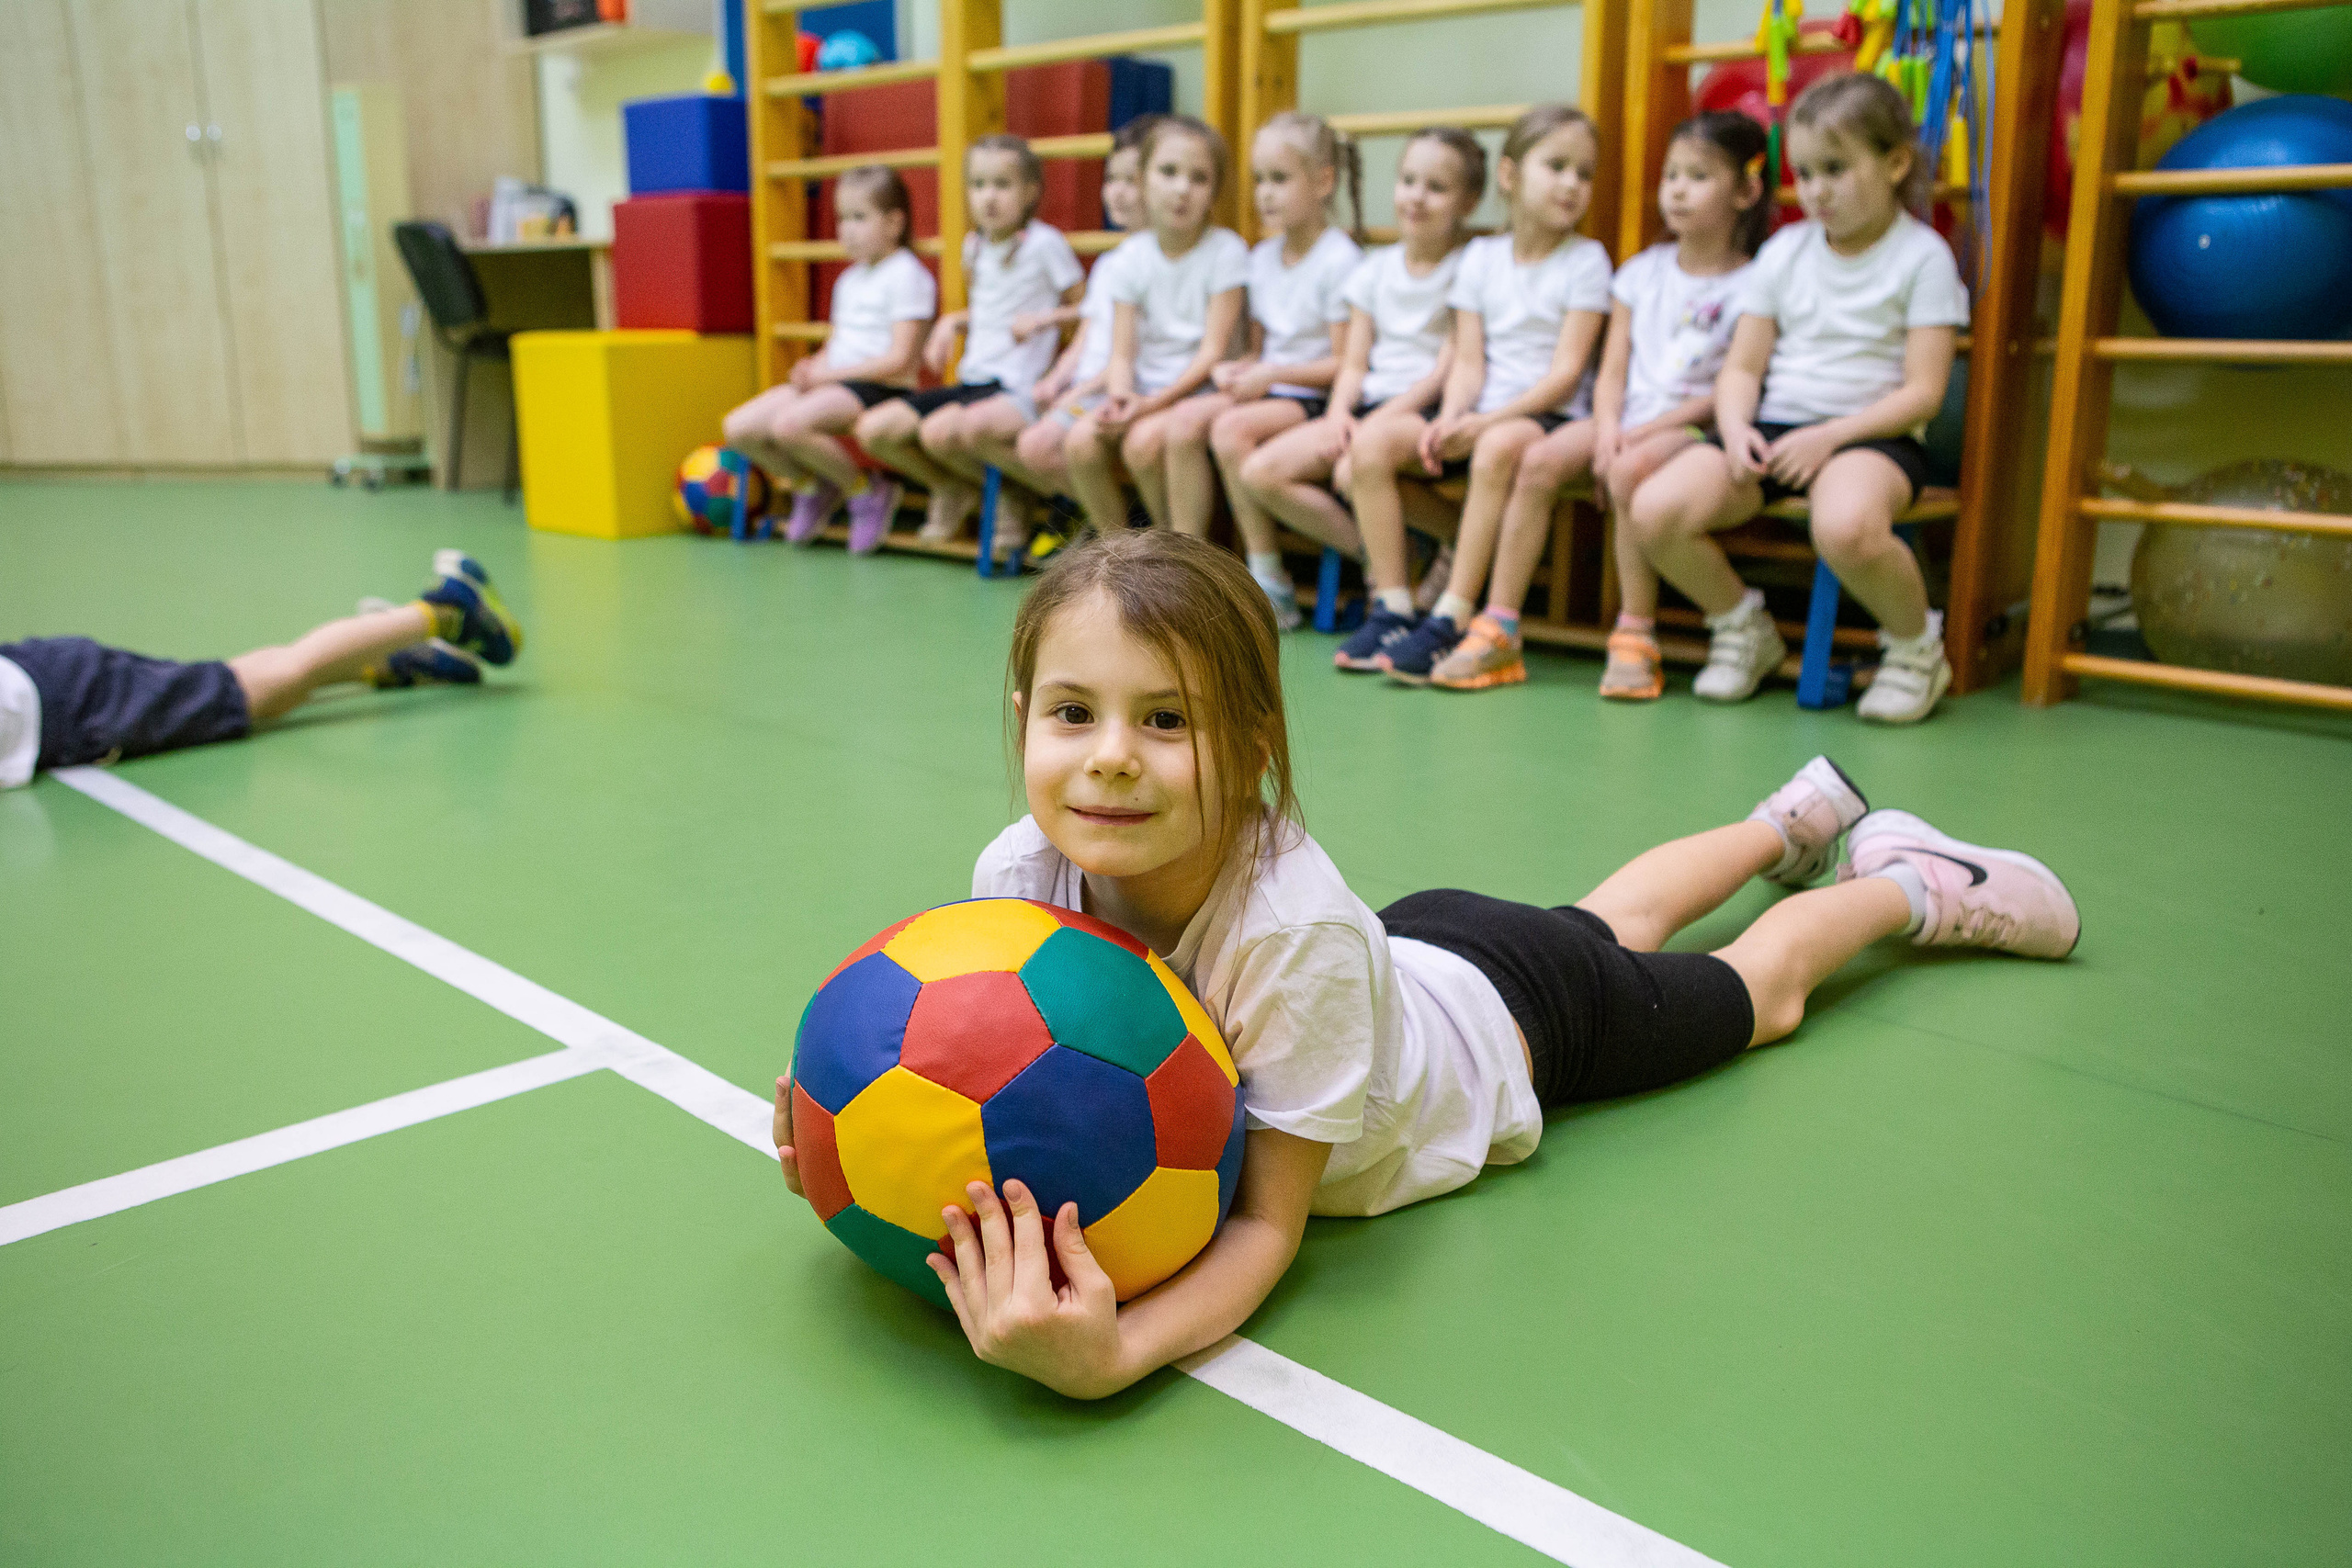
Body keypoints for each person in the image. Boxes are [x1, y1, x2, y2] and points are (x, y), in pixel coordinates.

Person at [768, 530, 2081, 1400]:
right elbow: (986, 1066)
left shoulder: (1293, 930)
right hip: (1418, 953)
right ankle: (1782, 818)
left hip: (1511, 1032)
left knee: (1752, 990)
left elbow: (1270, 1222)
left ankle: (1906, 881)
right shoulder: (1018, 871)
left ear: (1255, 734)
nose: (1110, 755)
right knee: (1603, 913)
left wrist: (1118, 1352)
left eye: (1166, 720)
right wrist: (855, 1137)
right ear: (1023, 719)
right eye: (1074, 713)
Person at [1623, 73, 1967, 721]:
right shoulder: (1784, 251)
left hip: (1871, 436)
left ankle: (1917, 649)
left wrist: (1829, 437)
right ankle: (1742, 627)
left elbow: (1924, 392)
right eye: (1805, 173)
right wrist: (1734, 429)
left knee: (1843, 526)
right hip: (1772, 428)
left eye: (1835, 168)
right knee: (1654, 510)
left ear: (1895, 163)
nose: (1816, 190)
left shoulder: (1923, 258)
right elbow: (1742, 369)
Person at [1440, 111, 1770, 695]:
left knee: (1626, 470)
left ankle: (1635, 633)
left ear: (1745, 191)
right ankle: (1500, 626)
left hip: (1691, 429)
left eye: (1697, 176)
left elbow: (1728, 389)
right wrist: (1612, 425)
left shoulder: (1755, 283)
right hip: (1617, 421)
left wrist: (1636, 435)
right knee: (1538, 463)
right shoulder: (1639, 274)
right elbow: (1611, 370)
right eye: (1671, 175)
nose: (1677, 189)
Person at [1343, 106, 1613, 683]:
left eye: (1584, 172)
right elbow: (1468, 360)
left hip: (1544, 417)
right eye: (1557, 166)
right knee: (1369, 446)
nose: (1572, 183)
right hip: (1481, 411)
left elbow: (1566, 375)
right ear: (1511, 176)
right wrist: (1452, 416)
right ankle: (1393, 605)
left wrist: (1487, 421)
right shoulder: (1482, 259)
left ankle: (1451, 615)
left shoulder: (1586, 262)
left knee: (1495, 449)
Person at [1235, 127, 1485, 632]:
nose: (1416, 196)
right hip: (1370, 406)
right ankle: (1397, 547)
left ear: (1468, 201)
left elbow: (1447, 369)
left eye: (1435, 187)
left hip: (1427, 409)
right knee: (1261, 472)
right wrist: (1339, 415)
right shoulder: (1375, 269)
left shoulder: (1470, 267)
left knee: (1351, 472)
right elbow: (1353, 363)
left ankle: (1444, 551)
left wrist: (1381, 418)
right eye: (1408, 180)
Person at [0, 551, 522, 790]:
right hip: (47, 682)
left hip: (61, 703)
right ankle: (396, 660)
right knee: (248, 683)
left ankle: (449, 610)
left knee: (265, 687)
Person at [852, 136, 1084, 549]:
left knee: (961, 431)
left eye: (1002, 184)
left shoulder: (1045, 244)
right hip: (973, 378)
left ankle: (1070, 499)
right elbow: (988, 311)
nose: (988, 197)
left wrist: (1046, 321)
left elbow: (1088, 312)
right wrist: (953, 321)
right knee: (878, 429)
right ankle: (973, 489)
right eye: (978, 185)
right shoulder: (973, 246)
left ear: (1030, 192)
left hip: (1017, 385)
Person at [1176, 113, 1363, 575]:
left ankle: (1267, 570)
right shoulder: (1261, 258)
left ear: (1323, 183)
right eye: (1260, 179)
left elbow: (1343, 363)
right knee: (1193, 422)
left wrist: (1271, 374)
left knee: (1230, 429)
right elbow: (1260, 351)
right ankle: (1245, 565)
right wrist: (1237, 369)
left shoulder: (1340, 259)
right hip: (1275, 391)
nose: (1265, 192)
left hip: (1317, 397)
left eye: (1280, 179)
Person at [718, 166, 935, 553]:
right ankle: (812, 487)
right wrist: (812, 367)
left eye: (859, 217)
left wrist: (828, 375)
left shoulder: (907, 274)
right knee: (739, 427)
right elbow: (840, 343)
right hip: (835, 380)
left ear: (894, 222)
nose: (846, 230)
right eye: (841, 219)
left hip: (877, 387)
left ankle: (865, 491)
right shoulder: (848, 280)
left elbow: (900, 360)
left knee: (789, 427)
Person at [985, 116, 1161, 563]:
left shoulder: (1152, 263)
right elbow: (1087, 333)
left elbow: (1129, 353)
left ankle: (1122, 539)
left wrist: (1077, 391)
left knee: (1038, 445)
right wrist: (1056, 378)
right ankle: (1106, 519)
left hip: (1119, 388)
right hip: (1087, 386)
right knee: (1030, 442)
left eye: (1131, 180)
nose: (1118, 192)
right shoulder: (1109, 261)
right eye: (1112, 179)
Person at [1062, 116, 1249, 537]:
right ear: (1143, 180)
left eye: (1199, 178)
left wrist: (1152, 404)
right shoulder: (1130, 259)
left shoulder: (1226, 252)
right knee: (1080, 441)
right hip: (1144, 392)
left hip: (1197, 390)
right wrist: (1120, 397)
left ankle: (1178, 555)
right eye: (1168, 172)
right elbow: (1122, 353)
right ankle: (1119, 550)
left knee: (1144, 445)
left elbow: (1212, 353)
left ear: (1213, 193)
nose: (1182, 188)